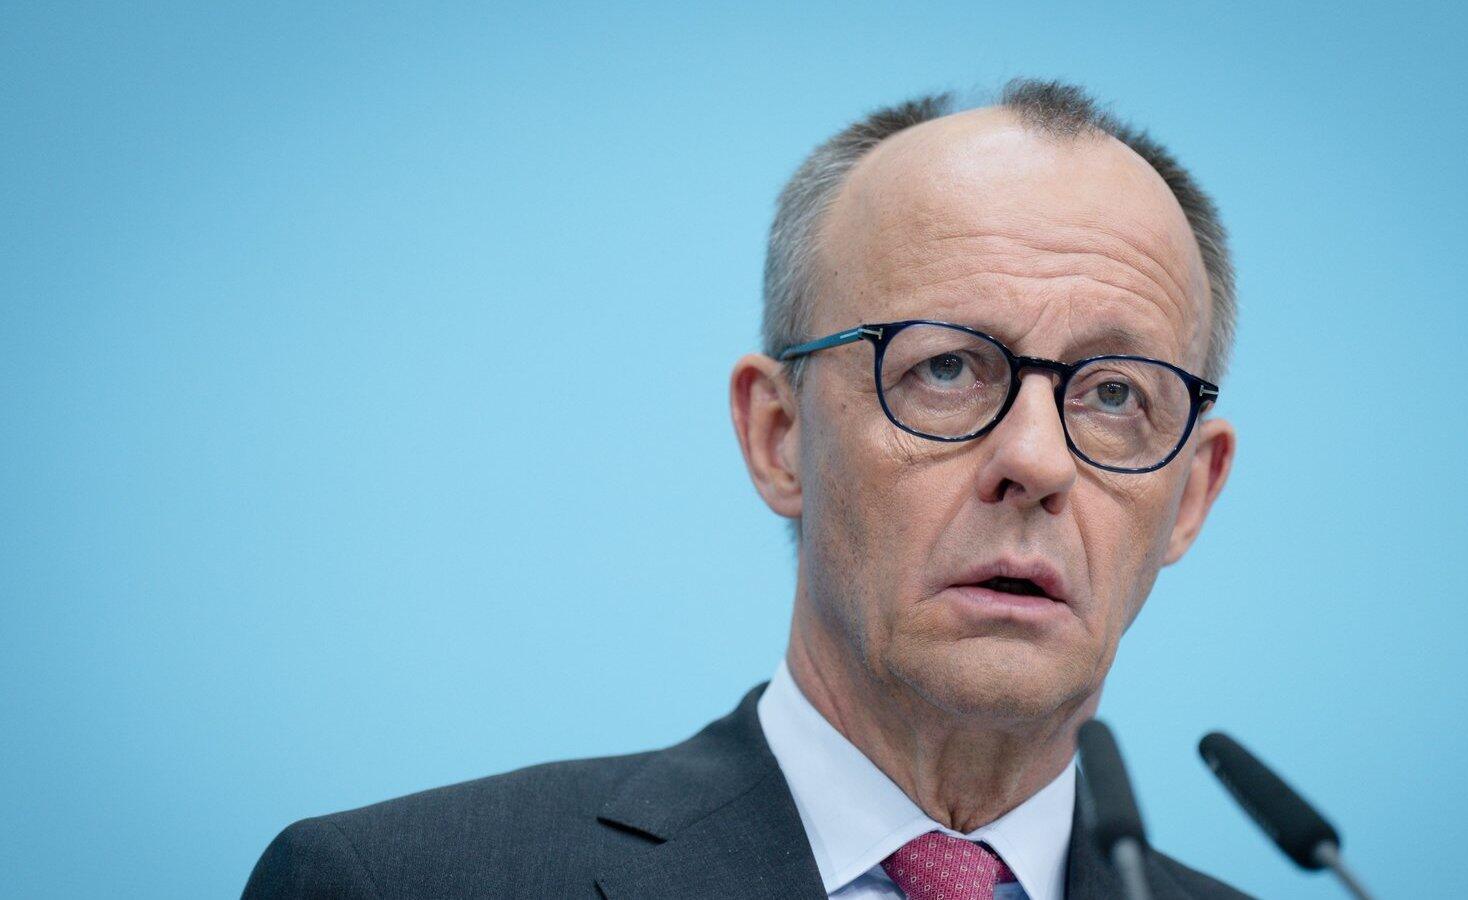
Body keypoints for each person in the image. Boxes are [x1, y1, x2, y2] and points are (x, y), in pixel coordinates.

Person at [243, 78, 1246, 899]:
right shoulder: (396, 883)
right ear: (778, 437)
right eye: (945, 368)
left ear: (1192, 496)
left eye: (1117, 394)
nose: (1036, 460)